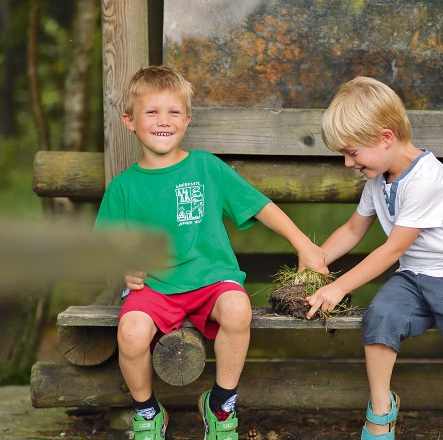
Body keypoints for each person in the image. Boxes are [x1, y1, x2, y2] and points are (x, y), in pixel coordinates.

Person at [95, 65, 327, 440]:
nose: (163, 121)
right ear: (129, 121)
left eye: (173, 112)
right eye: (151, 112)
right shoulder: (123, 188)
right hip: (154, 288)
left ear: (188, 119)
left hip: (211, 280)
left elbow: (259, 205)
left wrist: (304, 244)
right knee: (131, 331)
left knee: (238, 308)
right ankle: (148, 412)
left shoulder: (206, 168)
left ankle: (221, 406)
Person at [306, 76, 443, 440]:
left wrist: (339, 287)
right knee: (381, 316)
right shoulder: (377, 179)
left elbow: (392, 248)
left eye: (352, 152)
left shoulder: (427, 179)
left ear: (386, 137)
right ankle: (381, 408)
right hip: (414, 276)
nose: (348, 163)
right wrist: (316, 262)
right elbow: (352, 230)